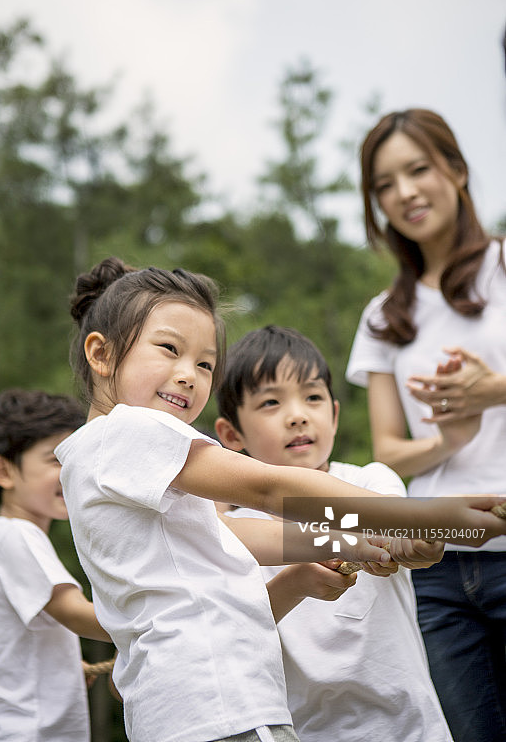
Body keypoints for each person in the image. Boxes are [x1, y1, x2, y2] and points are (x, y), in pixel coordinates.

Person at [56, 256, 506, 742]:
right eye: (169, 349)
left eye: (205, 364)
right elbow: (269, 488)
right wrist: (419, 516)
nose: (189, 375)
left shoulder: (103, 457)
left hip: (199, 708)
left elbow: (239, 535)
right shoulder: (129, 431)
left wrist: (355, 540)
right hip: (216, 706)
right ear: (100, 355)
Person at [346, 107, 506, 742]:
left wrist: (487, 390)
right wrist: (447, 440)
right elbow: (386, 450)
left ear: (458, 170)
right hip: (435, 566)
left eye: (418, 170)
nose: (404, 193)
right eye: (385, 184)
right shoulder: (383, 316)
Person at [215, 324, 454, 742]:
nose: (297, 414)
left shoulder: (371, 482)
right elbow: (234, 632)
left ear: (335, 413)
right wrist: (296, 582)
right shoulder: (235, 533)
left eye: (312, 397)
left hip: (409, 728)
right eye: (271, 402)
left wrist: (418, 540)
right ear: (231, 435)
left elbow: (399, 530)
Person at [0, 388, 112, 742]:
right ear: (3, 471)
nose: (73, 473)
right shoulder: (18, 535)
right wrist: (163, 623)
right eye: (56, 460)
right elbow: (77, 615)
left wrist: (60, 667)